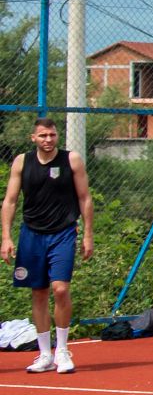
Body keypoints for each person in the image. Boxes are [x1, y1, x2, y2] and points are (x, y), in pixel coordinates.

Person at [1, 117, 93, 375]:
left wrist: (88, 235)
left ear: (57, 136)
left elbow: (85, 198)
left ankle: (62, 350)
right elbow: (9, 201)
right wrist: (6, 238)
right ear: (33, 138)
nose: (48, 140)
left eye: (52, 135)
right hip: (31, 235)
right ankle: (44, 355)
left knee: (60, 289)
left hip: (63, 233)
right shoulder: (22, 162)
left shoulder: (71, 160)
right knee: (38, 293)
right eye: (43, 136)